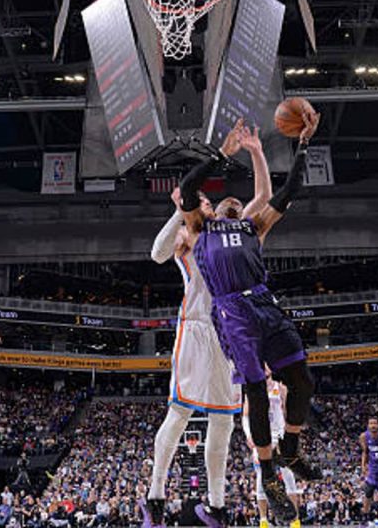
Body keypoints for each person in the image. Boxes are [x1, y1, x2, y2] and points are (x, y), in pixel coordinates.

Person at [178, 110, 321, 524]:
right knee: (256, 391)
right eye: (228, 201)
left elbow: (290, 187)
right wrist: (223, 154)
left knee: (301, 381)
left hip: (265, 303)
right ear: (215, 210)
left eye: (238, 203)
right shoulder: (200, 229)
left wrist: (304, 142)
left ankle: (290, 448)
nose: (234, 203)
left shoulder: (252, 226)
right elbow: (188, 187)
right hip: (232, 311)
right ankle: (268, 475)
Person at [142, 118, 273, 528]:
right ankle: (156, 499)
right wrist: (178, 212)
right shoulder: (191, 234)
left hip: (230, 330)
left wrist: (255, 151)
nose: (213, 204)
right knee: (179, 412)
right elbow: (156, 254)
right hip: (198, 327)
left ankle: (217, 508)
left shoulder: (233, 231)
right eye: (204, 202)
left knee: (223, 418)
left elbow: (264, 198)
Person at [242, 374, 301, 528]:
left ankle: (294, 519)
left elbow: (290, 411)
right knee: (262, 477)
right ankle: (263, 520)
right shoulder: (252, 389)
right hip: (261, 435)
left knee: (288, 476)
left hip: (279, 434)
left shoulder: (280, 385)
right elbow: (245, 415)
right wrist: (249, 435)